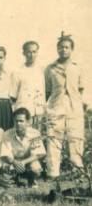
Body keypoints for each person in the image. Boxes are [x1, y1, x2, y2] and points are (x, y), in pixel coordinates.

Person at [44, 33, 85, 178]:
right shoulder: (50, 68)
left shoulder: (77, 67)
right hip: (56, 106)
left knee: (75, 139)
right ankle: (53, 173)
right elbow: (47, 90)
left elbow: (80, 89)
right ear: (57, 49)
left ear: (72, 49)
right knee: (54, 140)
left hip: (74, 108)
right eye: (60, 47)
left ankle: (77, 172)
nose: (63, 50)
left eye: (66, 47)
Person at [0, 108, 46, 188]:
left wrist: (23, 162)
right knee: (6, 169)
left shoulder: (35, 133)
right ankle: (14, 180)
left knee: (36, 168)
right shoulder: (7, 134)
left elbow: (39, 153)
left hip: (29, 160)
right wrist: (15, 162)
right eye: (16, 121)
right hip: (13, 161)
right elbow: (5, 154)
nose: (18, 123)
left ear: (28, 122)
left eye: (21, 121)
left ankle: (31, 179)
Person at [10, 41, 46, 130]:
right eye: (29, 52)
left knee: (36, 137)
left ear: (37, 52)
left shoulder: (42, 71)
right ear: (24, 53)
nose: (31, 54)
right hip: (23, 112)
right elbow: (13, 97)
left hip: (38, 112)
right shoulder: (17, 72)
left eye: (34, 52)